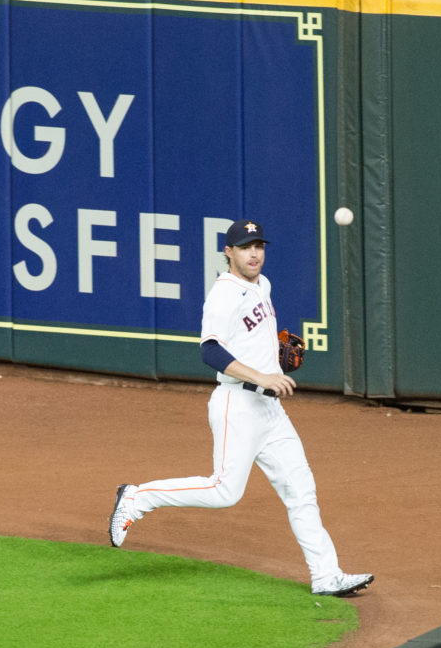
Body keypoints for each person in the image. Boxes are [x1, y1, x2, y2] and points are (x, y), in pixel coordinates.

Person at [107, 219, 373, 597]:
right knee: (224, 491)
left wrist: (274, 362)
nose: (254, 254)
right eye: (246, 247)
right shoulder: (223, 295)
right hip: (237, 405)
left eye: (259, 246)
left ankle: (326, 575)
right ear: (228, 252)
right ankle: (138, 497)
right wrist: (262, 376)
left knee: (301, 491)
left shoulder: (262, 285)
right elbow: (210, 350)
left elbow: (250, 339)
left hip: (270, 412)